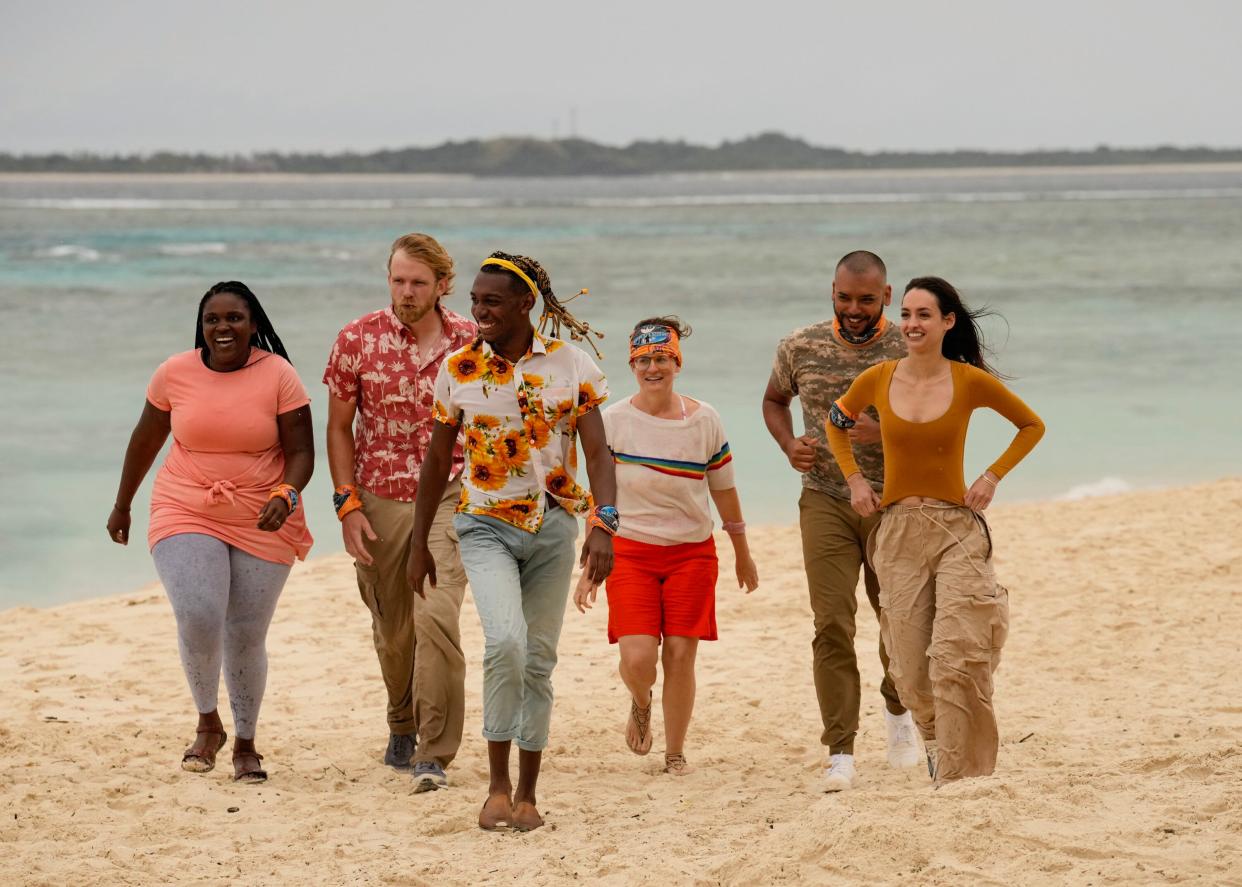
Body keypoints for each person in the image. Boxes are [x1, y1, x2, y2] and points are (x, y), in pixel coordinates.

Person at [408, 251, 616, 831]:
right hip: (483, 524)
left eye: (491, 301)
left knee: (539, 660)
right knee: (506, 643)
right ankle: (495, 786)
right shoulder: (458, 369)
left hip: (552, 526)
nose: (478, 311)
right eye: (474, 300)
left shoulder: (572, 365)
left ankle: (527, 794)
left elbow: (598, 452)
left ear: (526, 304)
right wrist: (418, 541)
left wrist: (605, 523)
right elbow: (435, 459)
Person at [825, 276, 1045, 783]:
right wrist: (855, 480)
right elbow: (836, 423)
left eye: (923, 314)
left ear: (947, 322)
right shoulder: (877, 377)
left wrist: (991, 476)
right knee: (908, 668)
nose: (911, 324)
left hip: (956, 530)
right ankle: (933, 742)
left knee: (958, 655)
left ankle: (962, 774)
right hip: (898, 530)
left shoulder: (969, 380)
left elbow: (1031, 425)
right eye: (905, 314)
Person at [107, 281, 314, 783]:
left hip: (262, 511)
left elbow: (303, 453)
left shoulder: (279, 375)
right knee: (199, 613)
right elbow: (146, 437)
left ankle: (245, 740)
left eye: (234, 318)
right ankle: (207, 721)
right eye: (212, 319)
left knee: (245, 633)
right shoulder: (174, 372)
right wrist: (123, 504)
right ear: (201, 327)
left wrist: (284, 496)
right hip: (185, 503)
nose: (223, 328)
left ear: (253, 324)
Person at [762, 250, 921, 792]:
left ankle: (898, 712)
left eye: (866, 300)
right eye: (844, 297)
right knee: (831, 623)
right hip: (825, 498)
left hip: (897, 503)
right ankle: (841, 752)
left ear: (888, 296)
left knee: (898, 620)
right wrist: (788, 445)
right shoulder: (799, 345)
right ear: (831, 291)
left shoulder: (909, 346)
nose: (854, 309)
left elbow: (945, 417)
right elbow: (773, 401)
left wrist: (888, 433)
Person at [323, 233, 477, 792]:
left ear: (442, 285)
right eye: (398, 280)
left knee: (437, 615)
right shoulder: (355, 339)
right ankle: (401, 721)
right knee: (394, 630)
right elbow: (339, 428)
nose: (406, 292)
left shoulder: (472, 340)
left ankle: (435, 751)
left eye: (418, 282)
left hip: (452, 495)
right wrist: (347, 505)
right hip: (379, 495)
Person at [573, 317, 759, 776]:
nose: (652, 368)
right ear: (632, 365)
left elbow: (724, 490)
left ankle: (675, 753)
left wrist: (742, 549)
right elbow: (600, 493)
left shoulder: (704, 420)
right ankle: (640, 701)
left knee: (679, 654)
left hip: (692, 552)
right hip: (631, 551)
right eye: (643, 360)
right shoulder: (612, 421)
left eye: (661, 359)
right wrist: (590, 561)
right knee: (638, 658)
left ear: (677, 362)